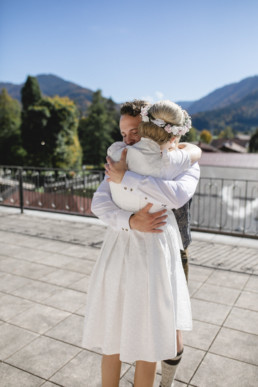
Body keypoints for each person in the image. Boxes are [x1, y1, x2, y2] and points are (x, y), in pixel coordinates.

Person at [82, 100, 201, 387]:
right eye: (123, 134)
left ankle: (168, 380)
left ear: (149, 127)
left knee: (166, 331)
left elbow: (176, 194)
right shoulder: (122, 156)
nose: (128, 139)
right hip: (128, 249)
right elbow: (99, 201)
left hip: (169, 253)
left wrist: (128, 177)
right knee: (130, 329)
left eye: (133, 131)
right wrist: (129, 220)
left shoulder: (180, 159)